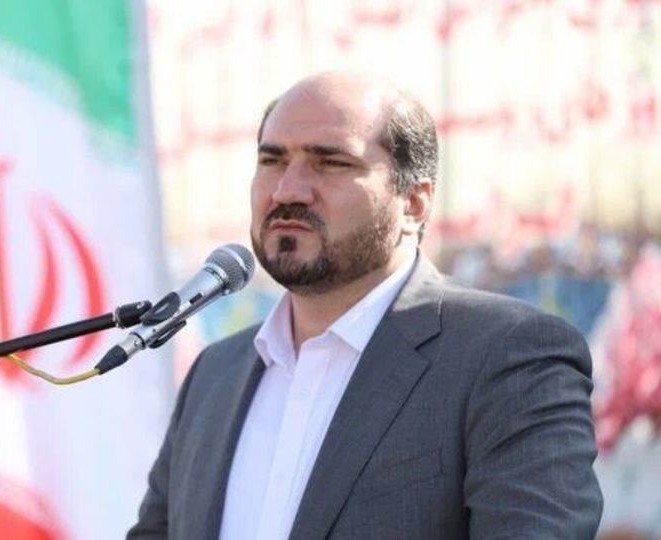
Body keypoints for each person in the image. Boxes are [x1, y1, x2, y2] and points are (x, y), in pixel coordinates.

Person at [128, 71, 603, 539]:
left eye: (331, 163)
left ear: (413, 204)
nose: (287, 190)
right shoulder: (216, 374)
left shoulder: (507, 356)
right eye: (272, 160)